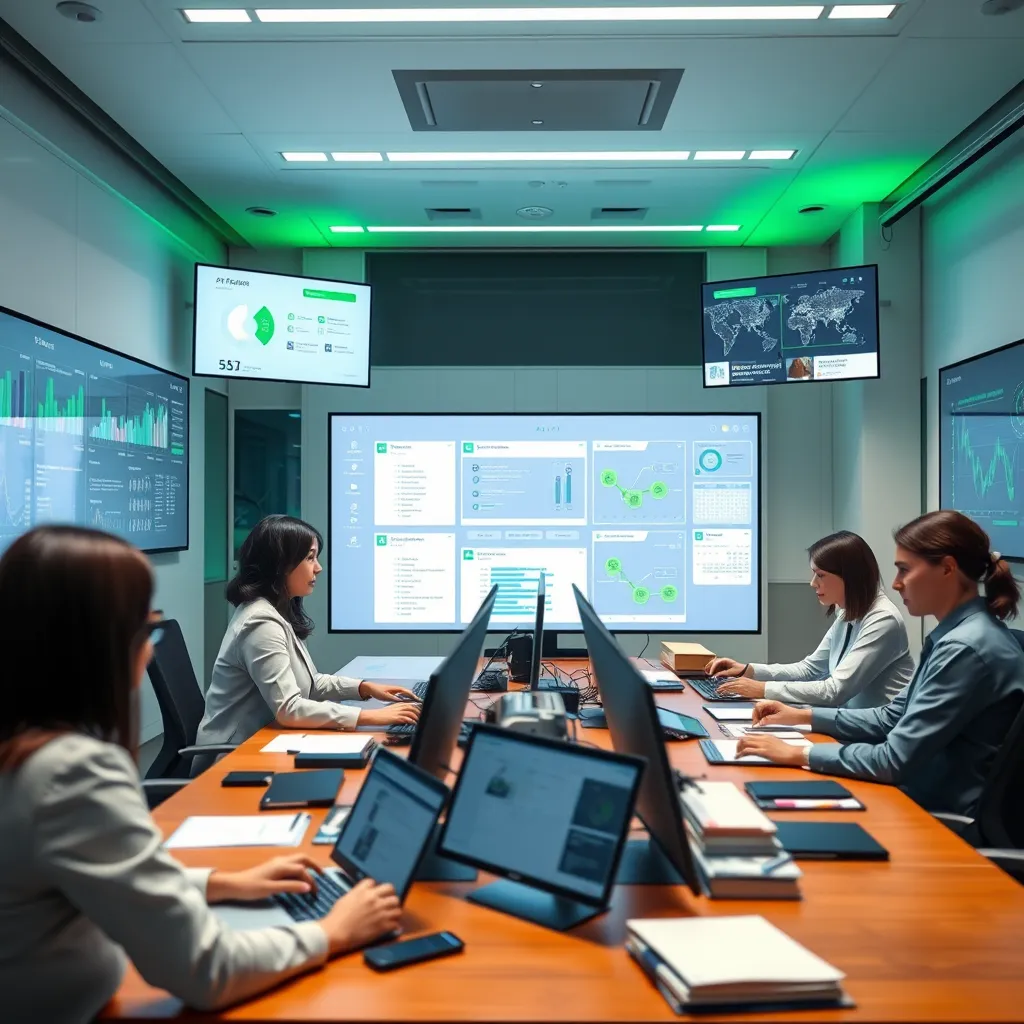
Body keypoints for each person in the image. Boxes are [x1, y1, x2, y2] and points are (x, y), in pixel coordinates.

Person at [0, 526, 404, 1024]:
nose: (149, 646)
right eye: (143, 626)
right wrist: (333, 931)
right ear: (93, 641)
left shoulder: (24, 754)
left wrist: (221, 882)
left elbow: (111, 878)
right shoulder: (70, 775)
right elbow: (207, 969)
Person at [736, 511, 1024, 820]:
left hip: (936, 814)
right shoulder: (954, 636)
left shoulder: (965, 647)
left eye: (904, 570)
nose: (896, 584)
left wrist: (799, 753)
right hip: (914, 793)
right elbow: (890, 717)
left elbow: (892, 760)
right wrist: (803, 715)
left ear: (947, 569)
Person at [197, 515, 419, 753]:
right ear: (280, 564)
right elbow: (289, 709)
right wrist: (369, 717)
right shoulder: (260, 622)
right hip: (233, 754)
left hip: (266, 740)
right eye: (310, 557)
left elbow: (311, 684)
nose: (318, 567)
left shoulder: (277, 610)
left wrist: (364, 688)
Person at [706, 531, 913, 708]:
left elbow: (835, 690)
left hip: (879, 735)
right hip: (851, 725)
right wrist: (749, 670)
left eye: (820, 575)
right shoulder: (847, 612)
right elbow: (810, 669)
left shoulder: (883, 619)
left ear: (850, 576)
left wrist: (762, 689)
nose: (813, 583)